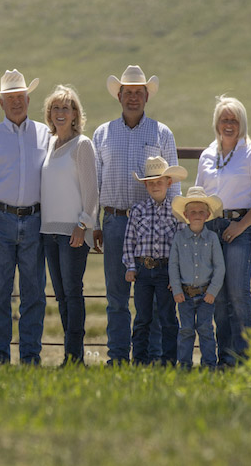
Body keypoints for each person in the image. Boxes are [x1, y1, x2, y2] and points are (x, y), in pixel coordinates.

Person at [92, 65, 180, 365]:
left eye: (138, 93)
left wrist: (177, 226)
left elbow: (174, 185)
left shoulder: (162, 133)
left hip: (154, 225)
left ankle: (151, 357)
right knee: (117, 296)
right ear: (119, 96)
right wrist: (94, 223)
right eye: (127, 93)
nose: (133, 98)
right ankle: (118, 356)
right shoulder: (102, 133)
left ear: (146, 97)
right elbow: (95, 182)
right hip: (115, 220)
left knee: (154, 297)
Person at [0, 69, 49, 365]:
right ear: (1, 103)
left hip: (35, 220)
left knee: (34, 294)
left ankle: (30, 356)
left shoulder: (45, 133)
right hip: (0, 220)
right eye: (10, 98)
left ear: (29, 99)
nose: (16, 102)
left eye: (20, 97)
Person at [196, 95, 251, 367]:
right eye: (224, 119)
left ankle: (246, 358)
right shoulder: (207, 155)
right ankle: (225, 357)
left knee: (238, 292)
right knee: (218, 295)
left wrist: (241, 226)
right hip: (212, 228)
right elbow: (199, 196)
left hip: (242, 225)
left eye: (234, 120)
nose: (228, 124)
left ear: (242, 124)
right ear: (216, 123)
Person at [40, 85, 98, 366]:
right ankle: (69, 355)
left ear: (75, 113)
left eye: (66, 107)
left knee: (73, 294)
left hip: (73, 233)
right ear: (49, 114)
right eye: (56, 108)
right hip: (49, 232)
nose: (60, 113)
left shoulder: (82, 145)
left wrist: (83, 225)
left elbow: (91, 192)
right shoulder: (49, 145)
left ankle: (75, 357)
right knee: (61, 296)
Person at [122, 157, 186, 365]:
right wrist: (131, 266)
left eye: (160, 182)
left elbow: (180, 247)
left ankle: (169, 360)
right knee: (142, 317)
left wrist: (177, 275)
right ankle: (139, 360)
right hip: (142, 271)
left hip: (166, 271)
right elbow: (129, 241)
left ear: (169, 183)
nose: (155, 186)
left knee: (168, 317)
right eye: (151, 182)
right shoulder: (138, 211)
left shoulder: (177, 212)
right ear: (146, 185)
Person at [169, 186, 225, 369]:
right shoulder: (179, 238)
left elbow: (219, 267)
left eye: (201, 211)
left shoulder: (212, 239)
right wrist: (176, 289)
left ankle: (209, 364)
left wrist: (213, 291)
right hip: (184, 295)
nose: (197, 214)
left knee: (206, 329)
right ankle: (184, 364)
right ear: (185, 215)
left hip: (205, 294)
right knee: (185, 330)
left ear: (208, 214)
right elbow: (173, 265)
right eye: (193, 211)